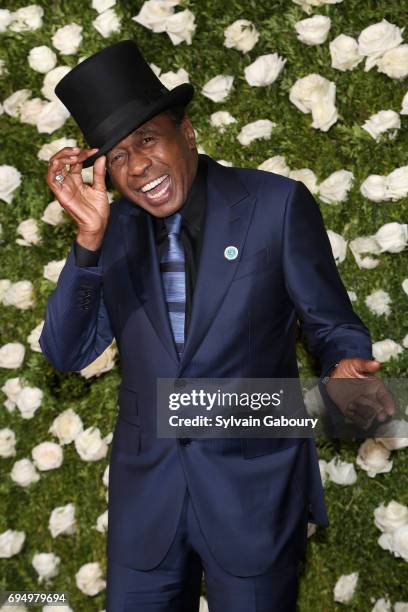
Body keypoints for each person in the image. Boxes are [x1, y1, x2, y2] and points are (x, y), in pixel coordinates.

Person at [39, 40, 395, 612]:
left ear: (189, 134)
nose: (138, 168)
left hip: (252, 497)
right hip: (145, 507)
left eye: (148, 141)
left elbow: (329, 324)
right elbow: (65, 352)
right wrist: (86, 243)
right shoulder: (111, 231)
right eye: (119, 157)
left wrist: (344, 364)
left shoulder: (275, 206)